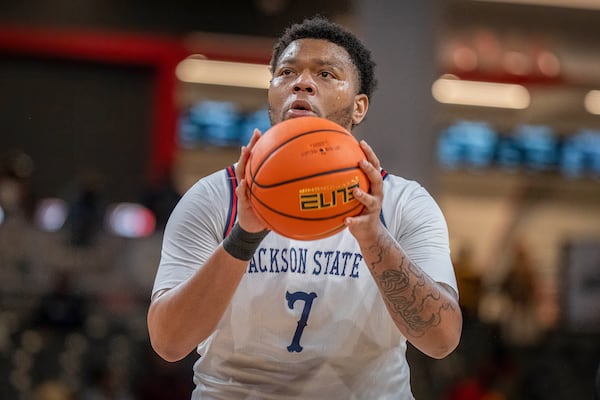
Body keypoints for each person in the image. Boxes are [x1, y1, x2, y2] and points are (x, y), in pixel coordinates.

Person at [147, 16, 462, 399]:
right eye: (287, 72)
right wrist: (243, 238)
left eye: (326, 74)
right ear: (272, 91)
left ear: (359, 107)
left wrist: (375, 240)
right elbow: (168, 343)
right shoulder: (215, 197)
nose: (302, 82)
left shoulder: (404, 203)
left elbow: (441, 340)